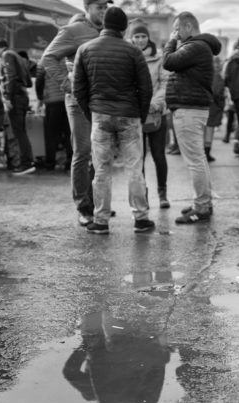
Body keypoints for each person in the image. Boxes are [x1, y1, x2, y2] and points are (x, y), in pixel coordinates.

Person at [73, 6, 154, 235]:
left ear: (104, 25)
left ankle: (100, 221)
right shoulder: (133, 52)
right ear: (124, 27)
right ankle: (141, 218)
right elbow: (145, 88)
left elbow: (78, 88)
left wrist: (92, 113)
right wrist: (140, 114)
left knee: (101, 171)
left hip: (100, 116)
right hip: (129, 116)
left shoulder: (85, 49)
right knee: (134, 169)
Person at [42, 2, 110, 227]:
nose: (103, 10)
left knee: (100, 153)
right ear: (88, 6)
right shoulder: (73, 30)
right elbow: (49, 58)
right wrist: (67, 84)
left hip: (101, 101)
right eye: (99, 6)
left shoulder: (107, 31)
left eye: (106, 6)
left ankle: (97, 202)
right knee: (82, 151)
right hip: (79, 102)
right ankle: (83, 206)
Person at [162, 11, 221, 224]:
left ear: (188, 27)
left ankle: (202, 207)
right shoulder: (199, 47)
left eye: (177, 28)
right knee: (198, 159)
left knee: (195, 160)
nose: (175, 33)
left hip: (188, 109)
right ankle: (202, 201)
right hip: (192, 109)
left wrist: (170, 42)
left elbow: (168, 61)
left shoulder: (195, 47)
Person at [129, 20, 170, 209]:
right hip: (135, 115)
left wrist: (154, 103)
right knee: (138, 159)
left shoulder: (159, 58)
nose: (140, 40)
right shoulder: (127, 56)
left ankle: (162, 193)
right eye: (136, 36)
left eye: (143, 36)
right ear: (131, 38)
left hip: (156, 114)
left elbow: (165, 83)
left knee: (159, 155)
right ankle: (142, 195)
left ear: (148, 38)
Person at [0, 38, 35, 175]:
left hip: (16, 98)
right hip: (23, 97)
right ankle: (28, 162)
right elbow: (29, 82)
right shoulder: (19, 57)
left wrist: (7, 97)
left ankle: (26, 163)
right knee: (21, 131)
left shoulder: (7, 55)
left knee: (18, 132)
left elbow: (10, 77)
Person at [35, 62, 72, 171]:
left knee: (51, 135)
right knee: (68, 133)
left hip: (52, 102)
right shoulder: (68, 63)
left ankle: (50, 163)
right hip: (67, 101)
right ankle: (70, 163)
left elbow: (39, 82)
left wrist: (40, 98)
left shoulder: (45, 63)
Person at [204, 56, 225, 163]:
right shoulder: (217, 77)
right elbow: (218, 93)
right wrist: (221, 105)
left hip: (203, 105)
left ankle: (204, 153)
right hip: (213, 106)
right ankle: (207, 154)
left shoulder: (204, 74)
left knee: (203, 130)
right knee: (209, 130)